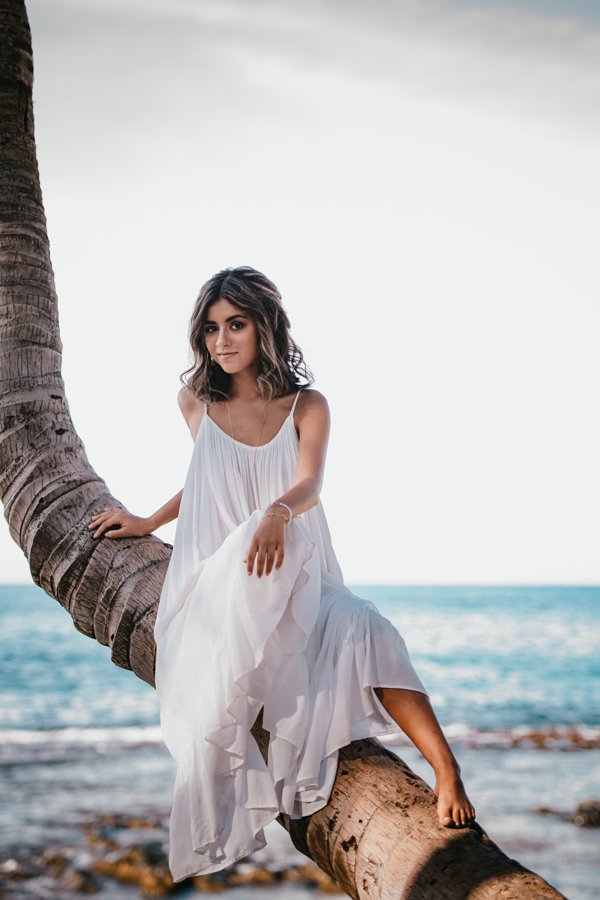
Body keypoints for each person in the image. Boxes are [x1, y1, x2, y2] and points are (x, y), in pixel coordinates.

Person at [88, 266, 475, 882]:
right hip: (222, 591)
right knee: (262, 544)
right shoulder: (196, 402)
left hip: (295, 575)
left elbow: (311, 483)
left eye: (236, 324)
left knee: (366, 624)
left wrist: (274, 512)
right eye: (211, 329)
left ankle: (447, 769)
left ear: (265, 325)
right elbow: (208, 480)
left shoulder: (307, 404)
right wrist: (145, 521)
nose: (222, 341)